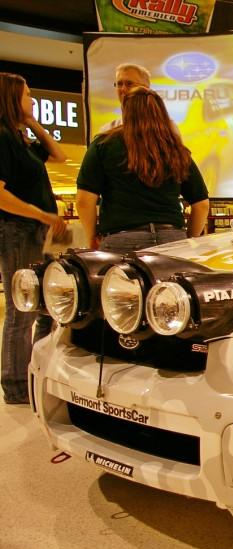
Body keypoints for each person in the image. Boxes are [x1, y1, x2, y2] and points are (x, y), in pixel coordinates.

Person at [0, 72, 68, 404]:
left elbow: (58, 156)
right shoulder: (2, 137)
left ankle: (35, 371)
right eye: (27, 96)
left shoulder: (20, 138)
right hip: (17, 229)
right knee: (22, 308)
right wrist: (42, 215)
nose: (32, 101)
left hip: (35, 231)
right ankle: (14, 385)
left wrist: (33, 123)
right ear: (12, 97)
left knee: (44, 305)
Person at [76, 86, 209, 254]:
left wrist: (92, 237)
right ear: (161, 113)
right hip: (172, 238)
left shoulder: (104, 145)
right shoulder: (175, 149)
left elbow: (84, 201)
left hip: (121, 239)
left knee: (118, 281)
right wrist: (189, 239)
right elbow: (202, 204)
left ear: (125, 112)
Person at [100, 63, 152, 132]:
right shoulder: (107, 130)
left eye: (130, 84)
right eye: (119, 84)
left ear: (146, 89)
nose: (123, 89)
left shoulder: (164, 128)